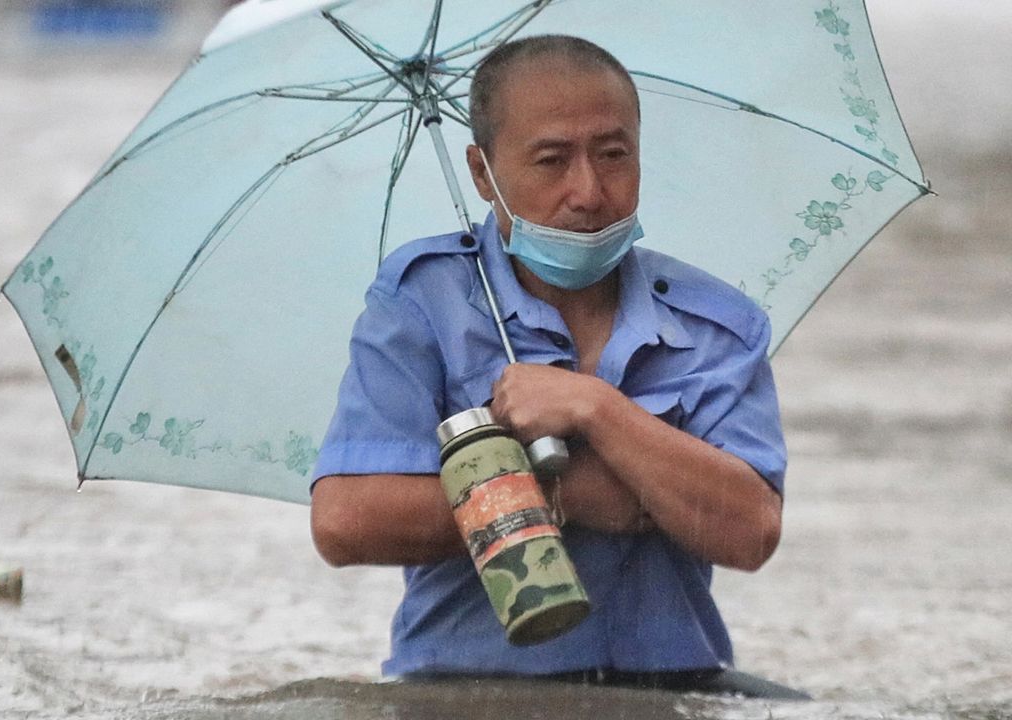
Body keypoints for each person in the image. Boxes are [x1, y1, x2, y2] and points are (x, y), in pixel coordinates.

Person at [308, 35, 804, 700]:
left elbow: (751, 533)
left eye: (613, 155)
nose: (589, 192)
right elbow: (345, 521)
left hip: (671, 687)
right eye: (551, 160)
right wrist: (564, 496)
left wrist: (598, 410)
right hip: (465, 688)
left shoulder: (717, 324)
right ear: (482, 173)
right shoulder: (423, 304)